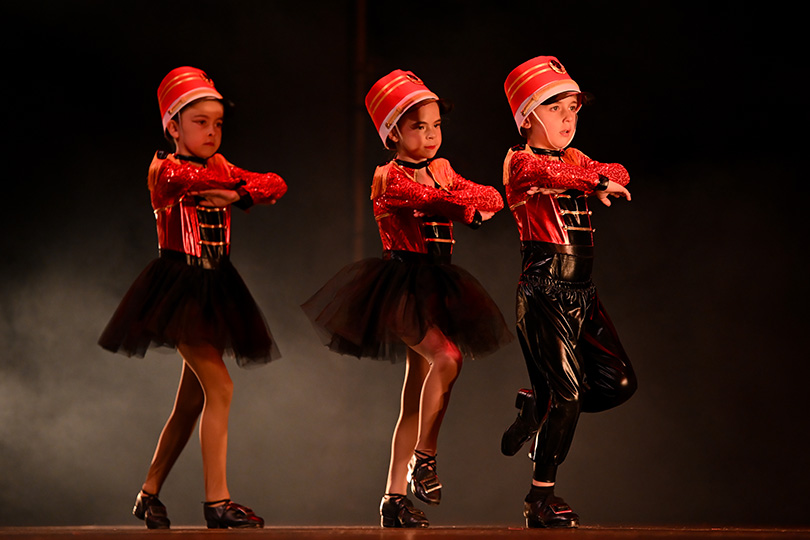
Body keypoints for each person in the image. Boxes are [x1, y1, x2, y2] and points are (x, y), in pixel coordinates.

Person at [302, 70, 511, 528]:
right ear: (393, 131)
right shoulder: (388, 178)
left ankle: (392, 497)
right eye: (420, 126)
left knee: (415, 397)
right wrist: (465, 206)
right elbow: (429, 199)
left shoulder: (442, 168)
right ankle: (425, 458)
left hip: (438, 285)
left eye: (437, 125)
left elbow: (489, 194)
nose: (432, 135)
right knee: (448, 358)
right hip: (399, 286)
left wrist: (475, 200)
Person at [98, 66, 287, 529]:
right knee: (221, 387)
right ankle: (216, 503)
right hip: (177, 287)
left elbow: (275, 183)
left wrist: (236, 192)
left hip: (215, 284)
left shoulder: (218, 166)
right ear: (173, 126)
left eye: (218, 123)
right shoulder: (165, 169)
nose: (212, 131)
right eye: (200, 122)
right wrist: (239, 191)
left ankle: (148, 494)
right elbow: (196, 184)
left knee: (191, 402)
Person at [500, 56, 638, 528]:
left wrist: (602, 177)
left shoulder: (576, 161)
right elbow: (556, 177)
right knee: (570, 397)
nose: (568, 118)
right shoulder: (520, 162)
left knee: (619, 383)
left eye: (574, 108)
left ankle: (537, 405)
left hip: (583, 291)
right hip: (545, 288)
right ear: (528, 116)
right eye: (555, 107)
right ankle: (539, 498)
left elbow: (614, 167)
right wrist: (597, 181)